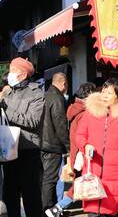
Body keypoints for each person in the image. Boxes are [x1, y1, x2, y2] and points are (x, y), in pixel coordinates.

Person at [76, 78, 118, 216]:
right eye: (103, 91)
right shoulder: (90, 113)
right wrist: (85, 146)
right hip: (92, 173)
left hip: (116, 177)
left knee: (110, 211)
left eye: (109, 93)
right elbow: (80, 135)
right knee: (92, 213)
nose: (104, 95)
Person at [0, 57, 44, 217]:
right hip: (9, 150)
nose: (9, 74)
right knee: (10, 195)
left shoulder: (36, 94)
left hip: (28, 149)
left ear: (23, 74)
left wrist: (7, 109)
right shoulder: (8, 91)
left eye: (13, 70)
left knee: (31, 195)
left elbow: (33, 121)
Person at [45, 82, 96, 217]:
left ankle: (58, 207)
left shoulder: (75, 109)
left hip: (75, 151)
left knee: (81, 184)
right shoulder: (85, 113)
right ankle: (57, 208)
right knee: (82, 185)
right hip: (82, 153)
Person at [41, 73, 70, 211]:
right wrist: (69, 146)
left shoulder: (44, 95)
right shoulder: (57, 98)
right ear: (63, 83)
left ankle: (47, 207)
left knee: (45, 178)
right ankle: (47, 208)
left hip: (42, 143)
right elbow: (61, 125)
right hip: (53, 145)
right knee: (50, 180)